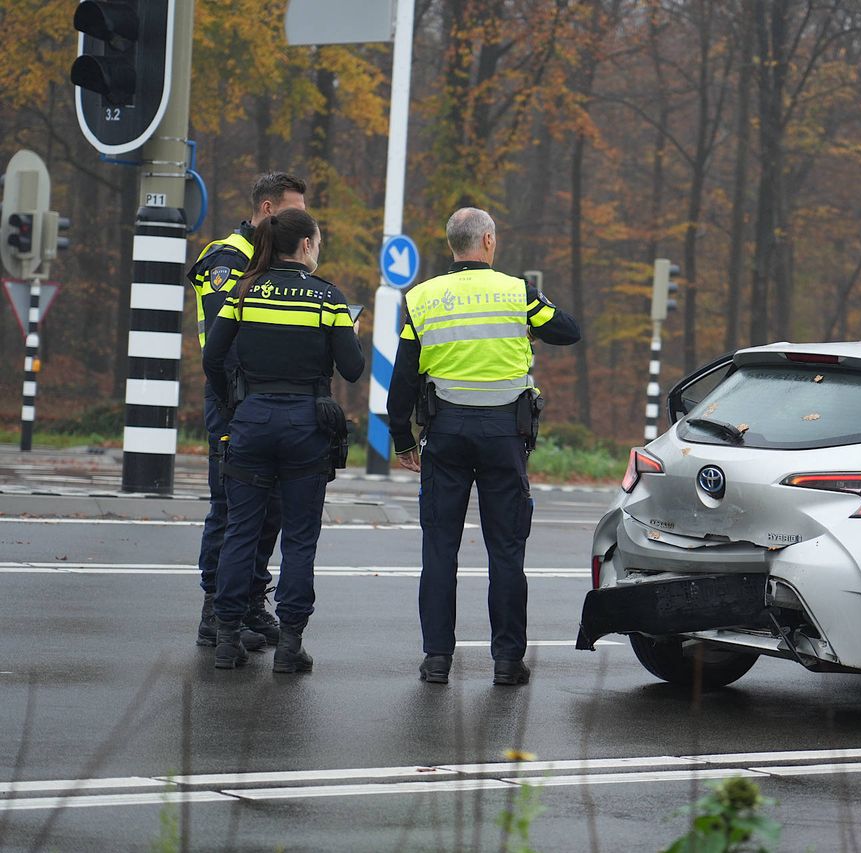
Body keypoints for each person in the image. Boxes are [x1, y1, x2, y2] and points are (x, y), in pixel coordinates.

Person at [386, 207, 581, 686]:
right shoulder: (518, 292)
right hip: (503, 439)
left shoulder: (421, 298)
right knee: (507, 551)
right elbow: (569, 331)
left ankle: (436, 660)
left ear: (452, 244)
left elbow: (404, 377)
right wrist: (531, 320)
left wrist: (401, 438)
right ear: (488, 241)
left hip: (445, 436)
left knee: (439, 550)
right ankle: (507, 662)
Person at [202, 208, 364, 673]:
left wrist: (235, 402)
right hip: (305, 426)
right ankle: (290, 645)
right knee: (299, 539)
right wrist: (348, 334)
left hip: (251, 420)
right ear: (307, 246)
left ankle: (227, 639)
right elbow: (351, 369)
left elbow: (214, 357)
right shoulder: (327, 298)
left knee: (240, 530)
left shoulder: (244, 290)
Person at [187, 172, 308, 650]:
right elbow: (223, 342)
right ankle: (215, 609)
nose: (302, 222)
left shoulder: (269, 263)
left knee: (270, 509)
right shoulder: (226, 258)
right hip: (232, 400)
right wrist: (240, 398)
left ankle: (251, 601)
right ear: (267, 210)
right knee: (230, 506)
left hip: (266, 404)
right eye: (294, 212)